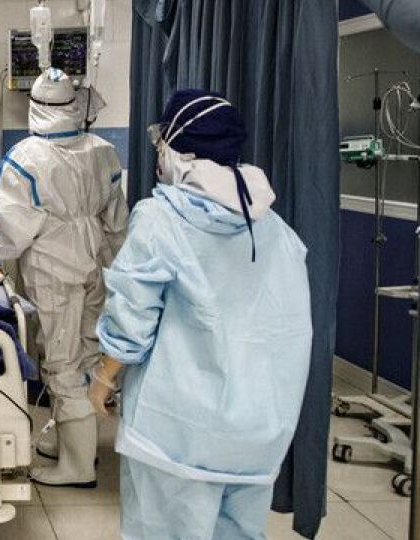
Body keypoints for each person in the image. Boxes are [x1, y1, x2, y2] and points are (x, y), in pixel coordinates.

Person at [91, 89, 313, 539]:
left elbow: (132, 317)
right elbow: (288, 328)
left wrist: (104, 378)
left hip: (177, 432)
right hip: (257, 430)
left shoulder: (161, 219)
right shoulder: (275, 229)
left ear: (178, 151)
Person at [0, 68, 128, 487]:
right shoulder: (103, 151)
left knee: (60, 360)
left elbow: (14, 231)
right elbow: (117, 222)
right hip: (96, 263)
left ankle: (77, 468)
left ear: (35, 107)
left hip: (54, 266)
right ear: (74, 105)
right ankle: (71, 443)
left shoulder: (26, 158)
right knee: (88, 354)